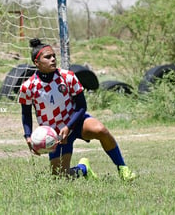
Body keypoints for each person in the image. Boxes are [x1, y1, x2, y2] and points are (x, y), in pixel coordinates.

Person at [18, 38, 136, 181]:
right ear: (37, 63)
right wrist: (28, 136)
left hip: (76, 122)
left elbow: (81, 106)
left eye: (54, 56)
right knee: (60, 177)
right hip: (56, 136)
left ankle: (122, 168)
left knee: (101, 130)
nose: (53, 59)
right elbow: (26, 114)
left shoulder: (68, 77)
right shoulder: (28, 86)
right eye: (47, 57)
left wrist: (68, 127)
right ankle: (83, 169)